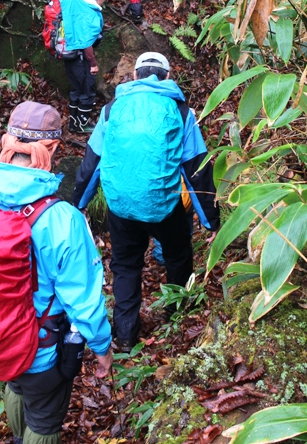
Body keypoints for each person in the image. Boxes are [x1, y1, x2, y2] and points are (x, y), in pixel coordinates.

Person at [0, 101, 113, 444]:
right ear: (52, 149)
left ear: (7, 142)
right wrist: (102, 348)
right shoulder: (61, 219)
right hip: (40, 347)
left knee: (16, 385)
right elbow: (83, 300)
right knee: (44, 420)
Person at [72, 52, 219, 351]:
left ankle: (125, 336)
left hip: (121, 208)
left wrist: (80, 203)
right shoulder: (181, 112)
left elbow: (92, 162)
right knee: (178, 257)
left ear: (135, 76)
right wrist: (211, 221)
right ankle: (176, 316)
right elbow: (196, 168)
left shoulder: (111, 111)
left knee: (126, 266)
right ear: (167, 77)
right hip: (164, 205)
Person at [62, 0, 108, 133]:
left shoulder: (77, 6)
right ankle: (82, 124)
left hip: (69, 55)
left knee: (76, 89)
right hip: (82, 57)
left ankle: (73, 123)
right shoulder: (89, 11)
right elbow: (86, 41)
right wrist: (93, 63)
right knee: (87, 90)